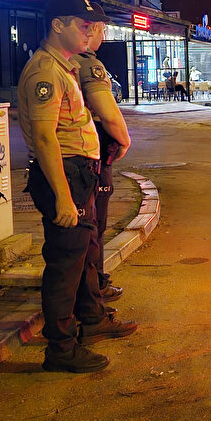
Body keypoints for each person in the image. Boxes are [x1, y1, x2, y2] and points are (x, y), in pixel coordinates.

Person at [17, 0, 137, 373]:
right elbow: (46, 138)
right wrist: (64, 198)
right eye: (83, 25)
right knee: (64, 267)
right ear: (57, 25)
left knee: (78, 257)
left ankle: (78, 331)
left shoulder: (63, 66)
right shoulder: (45, 72)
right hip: (64, 175)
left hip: (76, 174)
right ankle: (61, 350)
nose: (90, 33)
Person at [75, 22, 131, 301]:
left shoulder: (57, 61)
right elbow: (108, 114)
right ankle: (94, 287)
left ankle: (90, 287)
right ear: (92, 30)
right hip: (91, 154)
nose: (103, 37)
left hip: (75, 156)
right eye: (102, 31)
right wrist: (123, 139)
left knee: (83, 228)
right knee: (94, 224)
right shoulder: (88, 64)